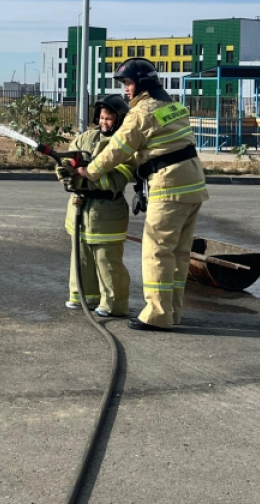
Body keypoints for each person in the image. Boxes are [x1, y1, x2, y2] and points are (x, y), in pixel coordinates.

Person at [77, 59, 208, 332]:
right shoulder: (173, 107)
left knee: (157, 252)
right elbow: (158, 147)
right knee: (179, 253)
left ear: (142, 84)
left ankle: (157, 315)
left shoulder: (142, 112)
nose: (125, 90)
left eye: (128, 83)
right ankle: (172, 311)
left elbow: (117, 149)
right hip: (193, 186)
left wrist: (89, 171)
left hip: (169, 187)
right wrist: (140, 183)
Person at [57, 95, 136, 318]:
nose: (104, 122)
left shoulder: (124, 146)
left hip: (107, 213)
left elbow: (118, 179)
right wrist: (65, 171)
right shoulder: (86, 138)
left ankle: (114, 304)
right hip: (79, 210)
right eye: (101, 117)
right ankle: (82, 297)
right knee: (80, 258)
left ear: (119, 120)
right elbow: (67, 161)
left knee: (107, 262)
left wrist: (87, 175)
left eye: (109, 118)